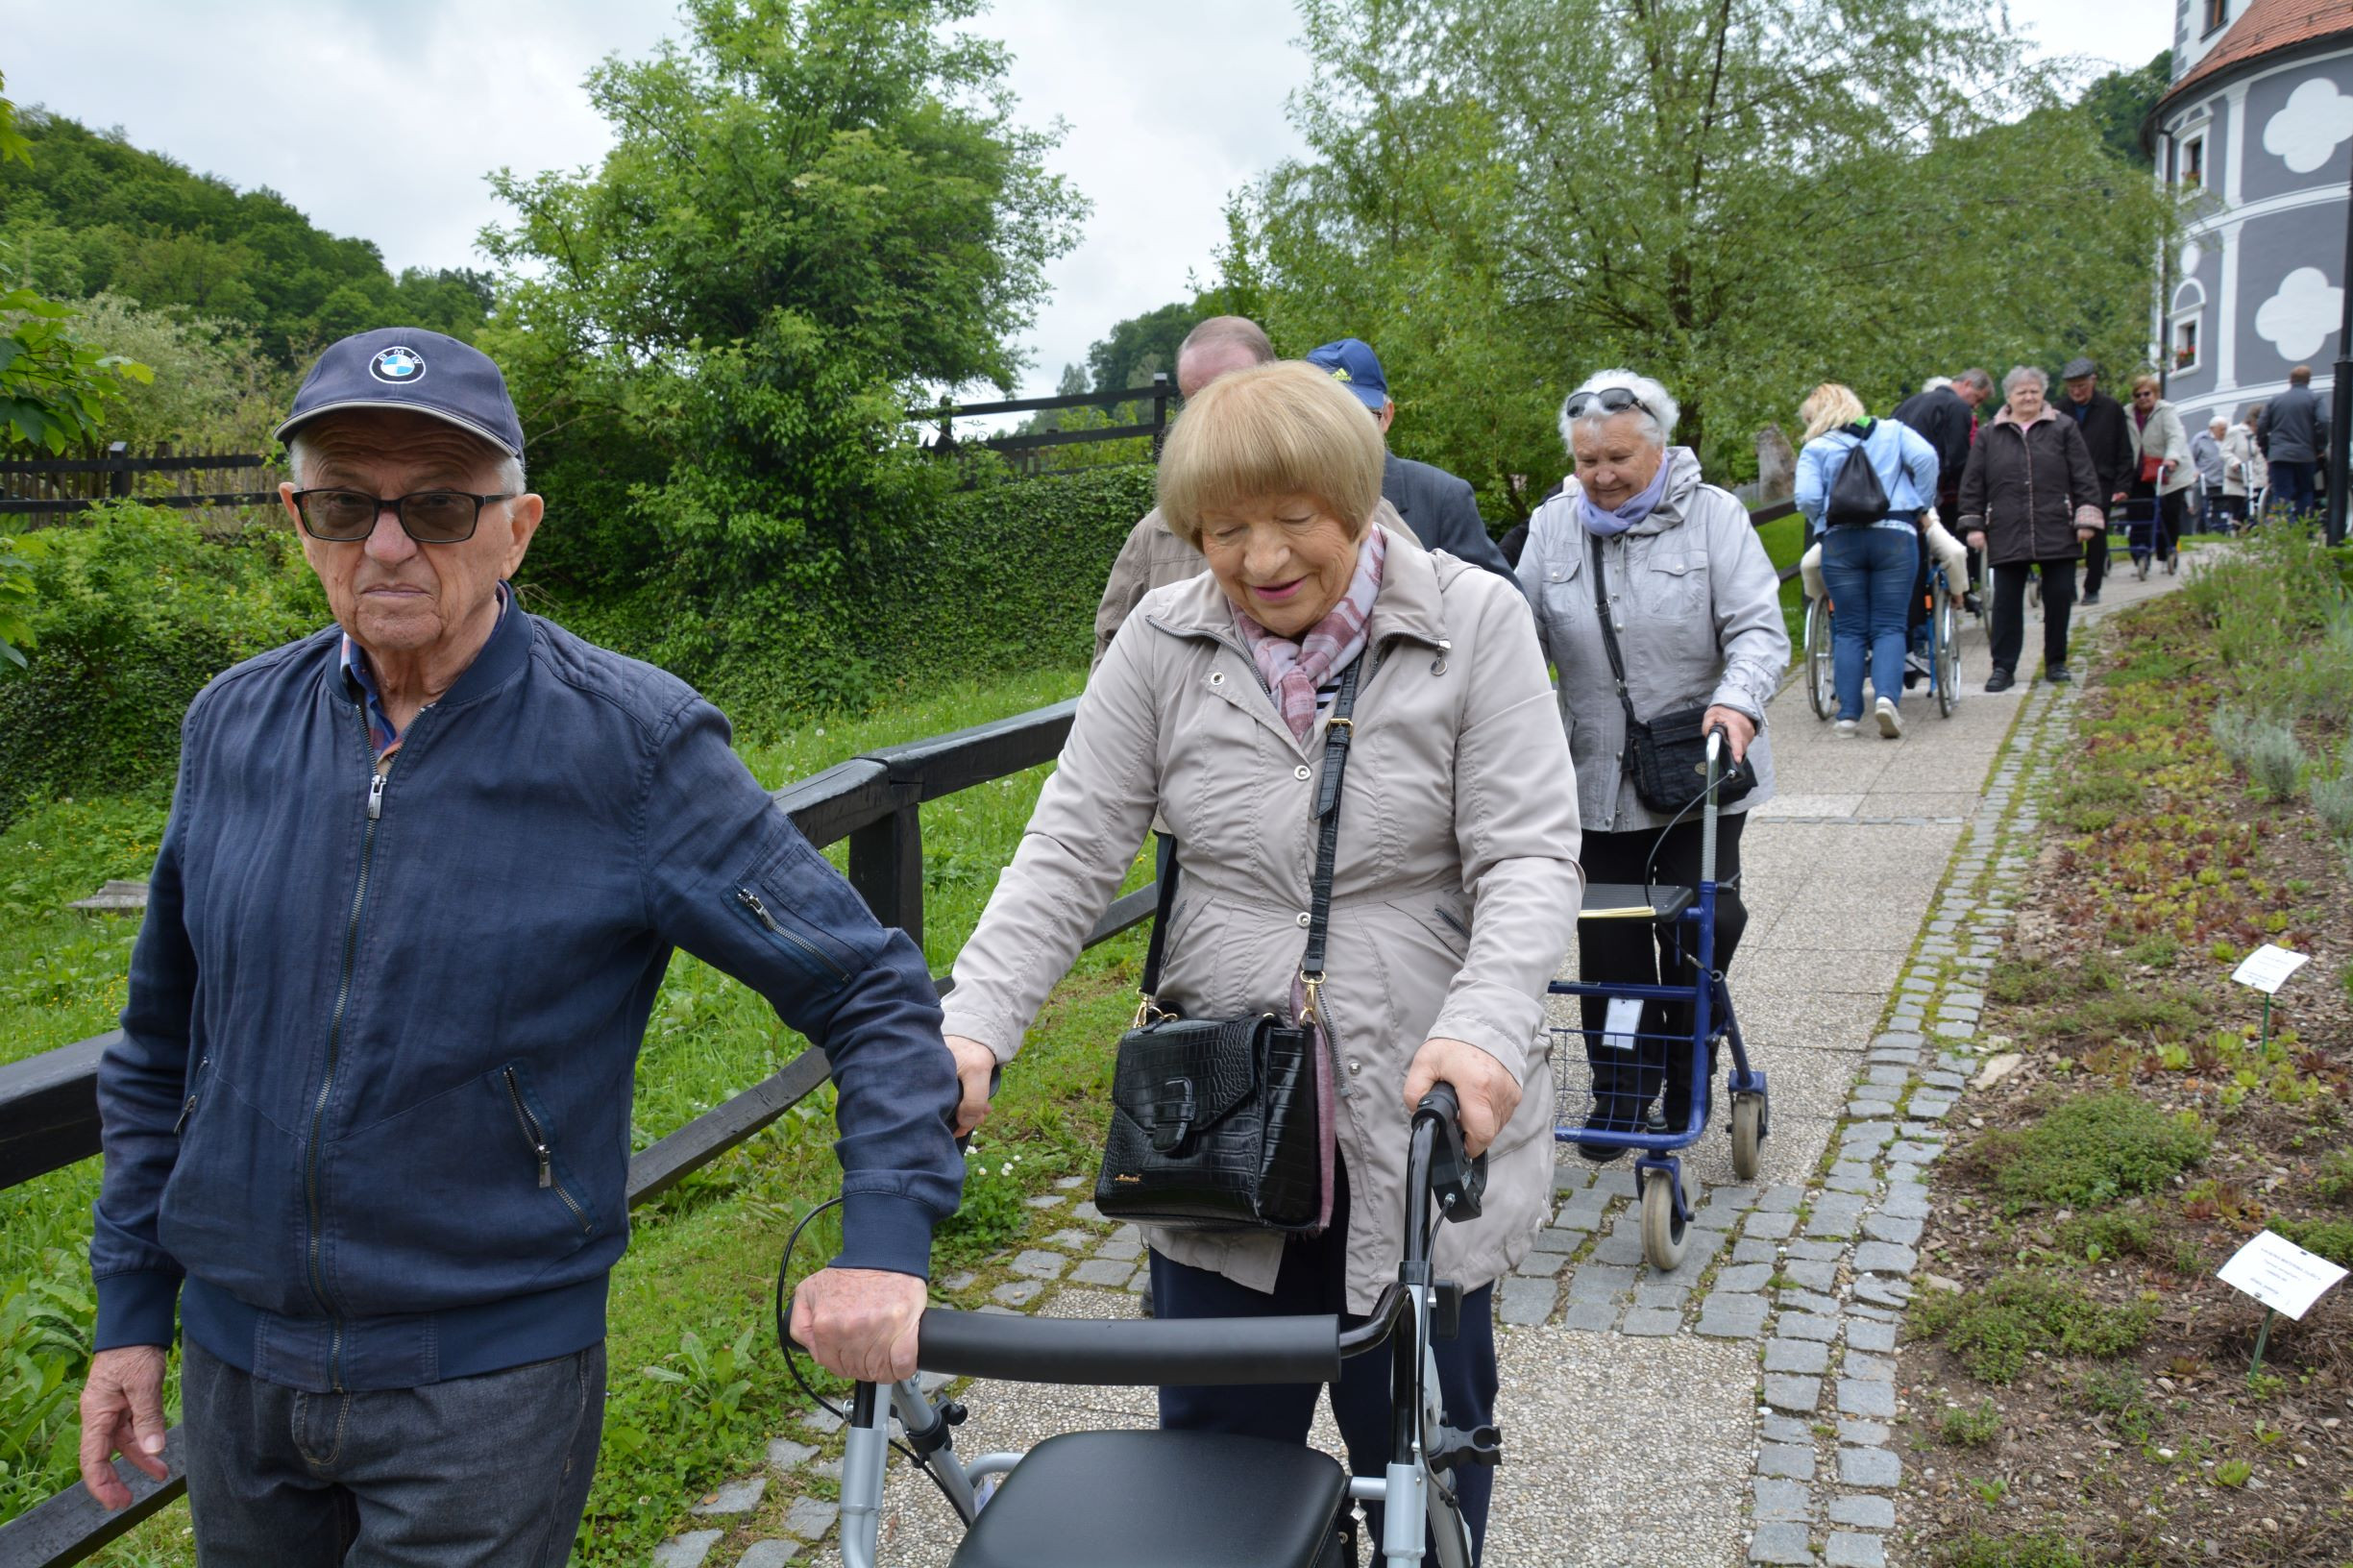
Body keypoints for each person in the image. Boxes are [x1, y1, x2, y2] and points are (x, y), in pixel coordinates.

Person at [79, 329, 962, 1559]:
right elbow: (162, 1041)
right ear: (297, 516)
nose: (387, 544)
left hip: (482, 1392)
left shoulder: (629, 748)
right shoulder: (233, 725)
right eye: (345, 503)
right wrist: (131, 1311)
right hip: (241, 1382)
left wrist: (883, 1246)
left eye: (439, 505)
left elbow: (866, 990)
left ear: (518, 527)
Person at [941, 361, 1581, 1563]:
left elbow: (1530, 855)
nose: (1260, 558)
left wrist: (1487, 1029)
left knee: (1425, 1456)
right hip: (1223, 1117)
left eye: (1294, 520)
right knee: (1212, 1476)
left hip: (1421, 1102)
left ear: (1356, 499)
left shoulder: (1472, 622)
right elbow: (1067, 849)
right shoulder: (1161, 640)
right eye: (1224, 529)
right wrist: (973, 1025)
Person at [1517, 370, 1787, 1154]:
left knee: (1704, 928)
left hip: (1695, 766)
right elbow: (1517, 635)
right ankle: (1621, 1086)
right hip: (1594, 776)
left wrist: (1736, 700)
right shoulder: (1552, 527)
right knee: (1610, 944)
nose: (1600, 476)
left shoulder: (1713, 519)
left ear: (1657, 445)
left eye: (1617, 459)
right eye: (1585, 461)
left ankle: (1684, 1060)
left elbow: (1758, 631)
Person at [1092, 316, 1278, 661]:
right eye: (1196, 401)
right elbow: (1110, 661)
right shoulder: (1155, 535)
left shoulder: (1347, 506)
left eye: (1231, 394)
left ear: (1277, 387)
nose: (1211, 417)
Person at [1794, 383, 1942, 739]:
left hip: (1842, 540)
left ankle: (1847, 715)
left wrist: (1822, 521)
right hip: (1895, 535)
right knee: (1890, 625)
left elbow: (1806, 497)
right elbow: (1926, 459)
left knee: (1848, 627)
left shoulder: (1816, 447)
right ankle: (1887, 700)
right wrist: (1918, 505)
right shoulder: (1893, 431)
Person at [1303, 337, 1514, 579]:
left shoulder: (1442, 497)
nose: (1340, 430)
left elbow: (1503, 605)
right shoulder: (1280, 498)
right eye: (1323, 417)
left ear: (1386, 417)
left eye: (1357, 416)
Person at [1957, 366, 2103, 692]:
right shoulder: (1989, 434)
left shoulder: (2064, 427)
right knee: (2006, 604)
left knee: (2059, 599)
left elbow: (2084, 475)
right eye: (2022, 392)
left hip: (2057, 527)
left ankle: (2056, 662)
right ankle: (2003, 668)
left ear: (2043, 394)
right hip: (2007, 529)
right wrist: (1974, 525)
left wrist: (2086, 519)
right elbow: (1973, 483)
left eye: (2034, 391)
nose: (2029, 396)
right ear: (2009, 397)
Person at [2056, 358, 2133, 605]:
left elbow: (2124, 449)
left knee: (2097, 535)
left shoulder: (2111, 408)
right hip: (2066, 481)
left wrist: (2122, 486)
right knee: (2066, 536)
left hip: (2102, 480)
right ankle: (2067, 587)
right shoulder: (2059, 410)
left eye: (2081, 386)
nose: (2076, 392)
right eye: (2071, 387)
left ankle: (2092, 586)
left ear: (2093, 380)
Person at [2123, 375, 2192, 572]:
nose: (2143, 398)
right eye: (2138, 394)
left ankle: (2168, 550)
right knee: (2139, 512)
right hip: (2141, 471)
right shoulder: (2127, 414)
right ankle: (2140, 552)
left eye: (2147, 393)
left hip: (2170, 471)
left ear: (2156, 394)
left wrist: (2171, 457)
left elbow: (2176, 435)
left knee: (2169, 512)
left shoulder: (2166, 411)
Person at [2258, 365, 2330, 522]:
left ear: (2290, 380)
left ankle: (2280, 528)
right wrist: (2319, 447)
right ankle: (2305, 530)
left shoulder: (2275, 401)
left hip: (2279, 454)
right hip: (2305, 455)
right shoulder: (2315, 399)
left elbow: (2261, 425)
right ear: (2308, 381)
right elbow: (2324, 422)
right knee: (2305, 492)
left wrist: (2266, 448)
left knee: (2281, 493)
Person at [2190, 415, 2232, 534]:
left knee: (2221, 507)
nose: (2224, 432)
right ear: (2212, 428)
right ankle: (2197, 532)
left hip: (2221, 481)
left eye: (2225, 428)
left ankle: (2219, 531)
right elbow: (2190, 458)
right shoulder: (2200, 439)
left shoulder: (2229, 438)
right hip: (2204, 481)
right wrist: (2195, 470)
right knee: (2199, 510)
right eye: (2221, 429)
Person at [2224, 408, 2267, 528]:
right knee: (2239, 512)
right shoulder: (2235, 431)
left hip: (2257, 478)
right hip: (2238, 478)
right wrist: (2235, 462)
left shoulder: (2260, 433)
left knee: (2258, 508)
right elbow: (2224, 451)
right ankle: (2238, 533)